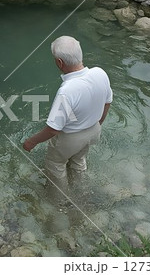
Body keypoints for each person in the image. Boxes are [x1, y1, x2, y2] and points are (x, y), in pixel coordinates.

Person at [23, 36, 112, 189]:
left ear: (60, 62)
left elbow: (53, 129)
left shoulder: (66, 91)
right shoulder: (100, 73)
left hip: (71, 138)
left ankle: (59, 202)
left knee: (55, 165)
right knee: (78, 161)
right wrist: (98, 123)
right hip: (94, 131)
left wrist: (32, 141)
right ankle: (81, 191)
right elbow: (107, 102)